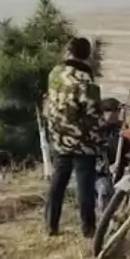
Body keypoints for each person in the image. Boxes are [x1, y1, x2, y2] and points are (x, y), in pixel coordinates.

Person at [43, 37, 108, 238]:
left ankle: (51, 224)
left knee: (59, 180)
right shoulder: (86, 81)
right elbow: (94, 117)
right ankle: (88, 228)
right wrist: (100, 140)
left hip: (58, 136)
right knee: (85, 184)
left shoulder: (55, 73)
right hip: (82, 141)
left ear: (68, 52)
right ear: (87, 56)